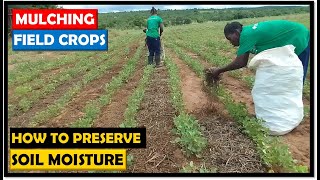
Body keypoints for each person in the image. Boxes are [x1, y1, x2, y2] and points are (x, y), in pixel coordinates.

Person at [207, 20, 310, 84]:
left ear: (236, 32)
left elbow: (241, 62)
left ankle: (291, 110)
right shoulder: (247, 33)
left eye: (230, 38)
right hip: (294, 37)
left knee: (295, 77)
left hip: (299, 38)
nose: (230, 42)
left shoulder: (246, 35)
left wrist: (218, 70)